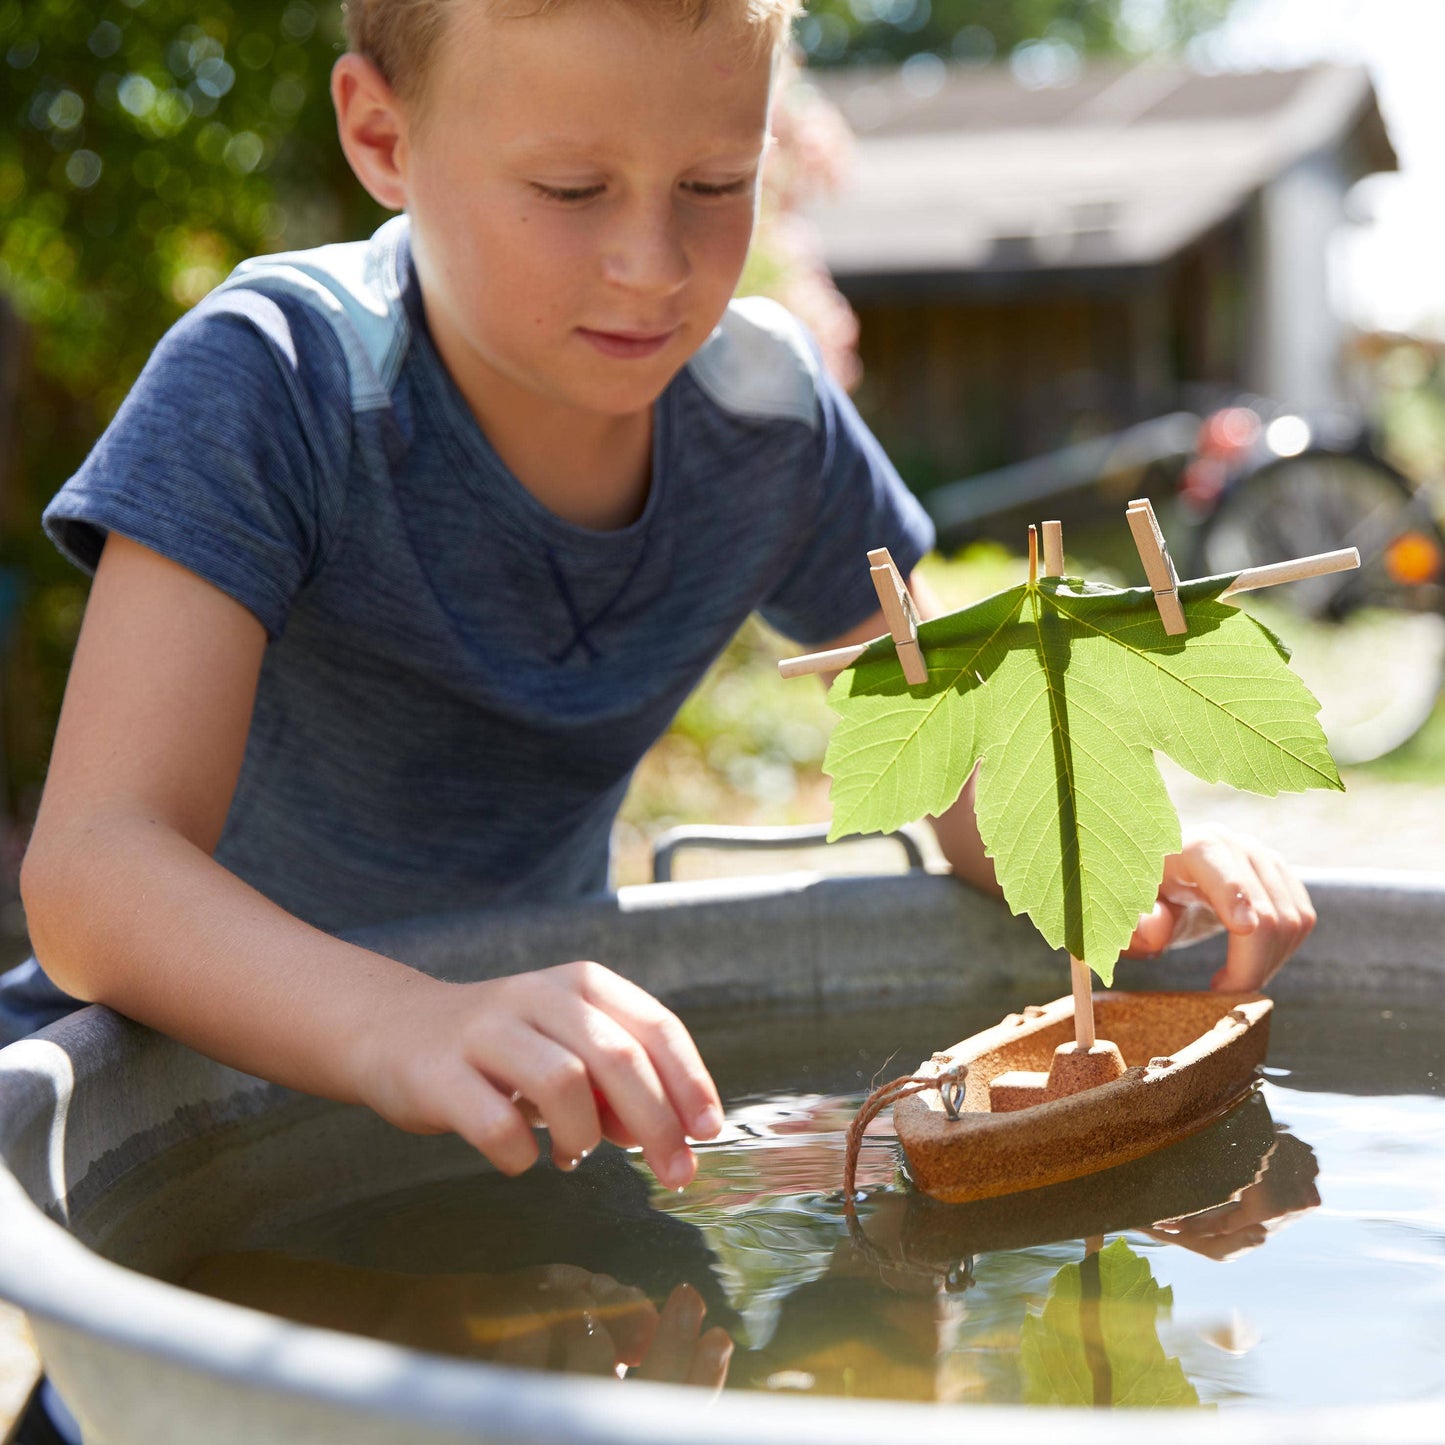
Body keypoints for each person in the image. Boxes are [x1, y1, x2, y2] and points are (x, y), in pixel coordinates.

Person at [9, 0, 1315, 1197]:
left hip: (530, 1095)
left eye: (715, 183)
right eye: (570, 189)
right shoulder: (276, 380)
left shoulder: (768, 423)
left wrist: (1111, 857)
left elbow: (961, 762)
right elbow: (93, 874)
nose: (652, 263)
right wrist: (403, 1017)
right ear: (381, 137)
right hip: (161, 1118)